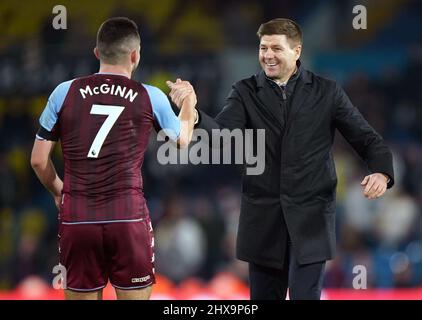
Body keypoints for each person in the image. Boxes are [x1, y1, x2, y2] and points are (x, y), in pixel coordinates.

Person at [167, 18, 394, 300]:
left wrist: (381, 172)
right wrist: (195, 113)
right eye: (263, 48)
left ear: (297, 51)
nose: (268, 55)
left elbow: (368, 139)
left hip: (310, 222)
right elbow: (222, 134)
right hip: (263, 224)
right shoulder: (245, 91)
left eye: (276, 48)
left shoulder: (327, 92)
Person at [30, 17, 197, 300]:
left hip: (78, 219)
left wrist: (59, 191)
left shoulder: (64, 92)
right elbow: (183, 141)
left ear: (97, 53)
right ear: (135, 55)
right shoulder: (150, 96)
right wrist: (188, 101)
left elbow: (37, 160)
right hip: (128, 218)